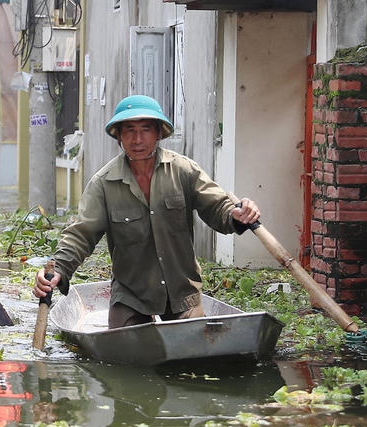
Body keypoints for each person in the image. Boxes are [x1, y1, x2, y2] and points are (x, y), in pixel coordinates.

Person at [32, 95, 260, 327]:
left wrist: (236, 214)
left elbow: (218, 206)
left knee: (191, 341)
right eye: (129, 130)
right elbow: (81, 234)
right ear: (119, 136)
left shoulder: (183, 170)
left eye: (146, 130)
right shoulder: (104, 183)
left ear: (159, 133)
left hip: (182, 291)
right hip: (131, 295)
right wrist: (59, 268)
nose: (138, 139)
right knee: (125, 344)